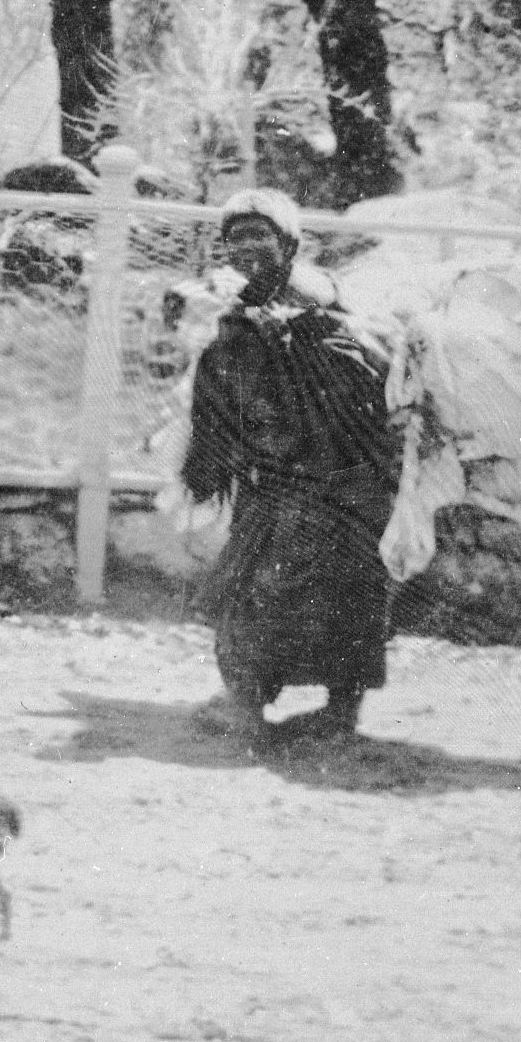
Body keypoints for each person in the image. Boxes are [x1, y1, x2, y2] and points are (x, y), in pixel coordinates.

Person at [179, 188, 402, 738]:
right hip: (282, 479)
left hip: (335, 478)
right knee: (258, 593)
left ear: (290, 244)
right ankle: (257, 704)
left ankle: (323, 711)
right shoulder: (248, 311)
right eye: (235, 238)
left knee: (329, 594)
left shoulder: (314, 301)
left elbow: (355, 376)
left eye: (260, 235)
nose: (246, 247)